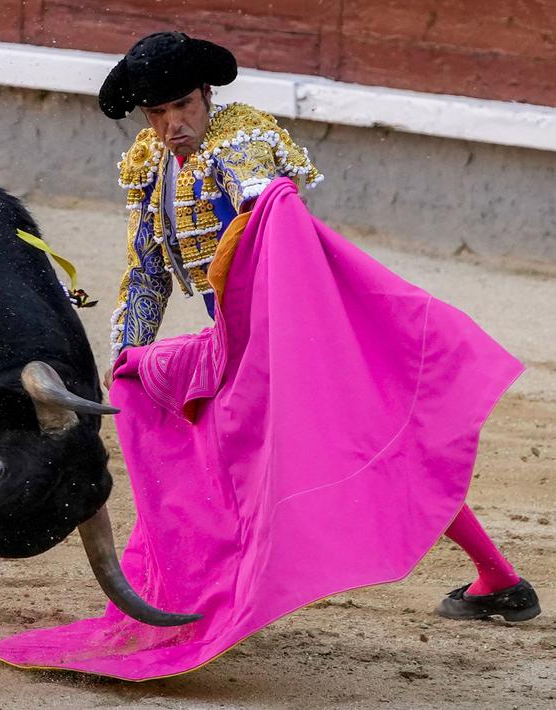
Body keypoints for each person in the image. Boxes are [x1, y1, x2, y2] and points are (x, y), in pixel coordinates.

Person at [100, 31, 538, 624]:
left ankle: (496, 577)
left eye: (184, 106)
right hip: (242, 336)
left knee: (360, 445)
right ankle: (499, 578)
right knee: (350, 443)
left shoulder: (241, 142)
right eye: (157, 112)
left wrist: (253, 322)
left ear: (207, 94)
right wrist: (128, 352)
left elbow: (264, 223)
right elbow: (148, 271)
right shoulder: (151, 166)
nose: (173, 123)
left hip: (296, 325)